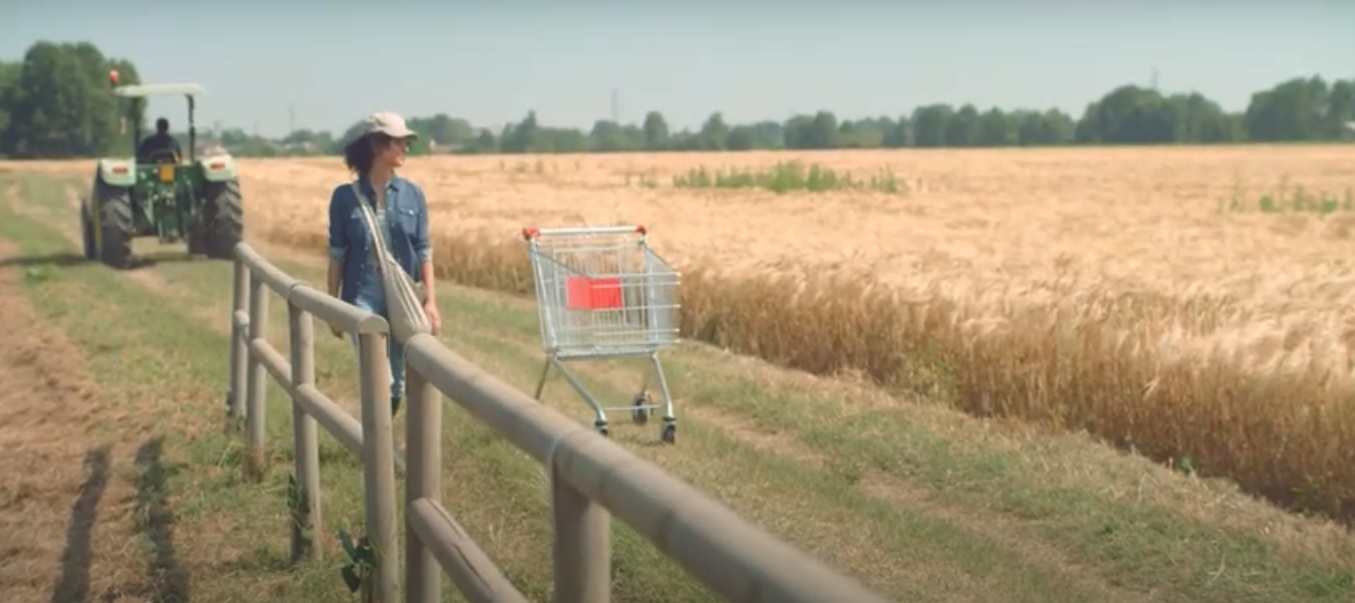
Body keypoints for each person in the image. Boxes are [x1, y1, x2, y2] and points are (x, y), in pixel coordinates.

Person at [326, 111, 441, 416]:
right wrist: (332, 304)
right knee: (378, 373)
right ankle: (375, 436)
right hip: (360, 297)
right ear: (377, 145)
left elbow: (424, 250)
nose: (405, 148)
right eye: (398, 142)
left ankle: (379, 436)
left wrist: (430, 302)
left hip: (402, 296)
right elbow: (336, 254)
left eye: (406, 142)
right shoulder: (344, 198)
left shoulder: (413, 195)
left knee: (396, 381)